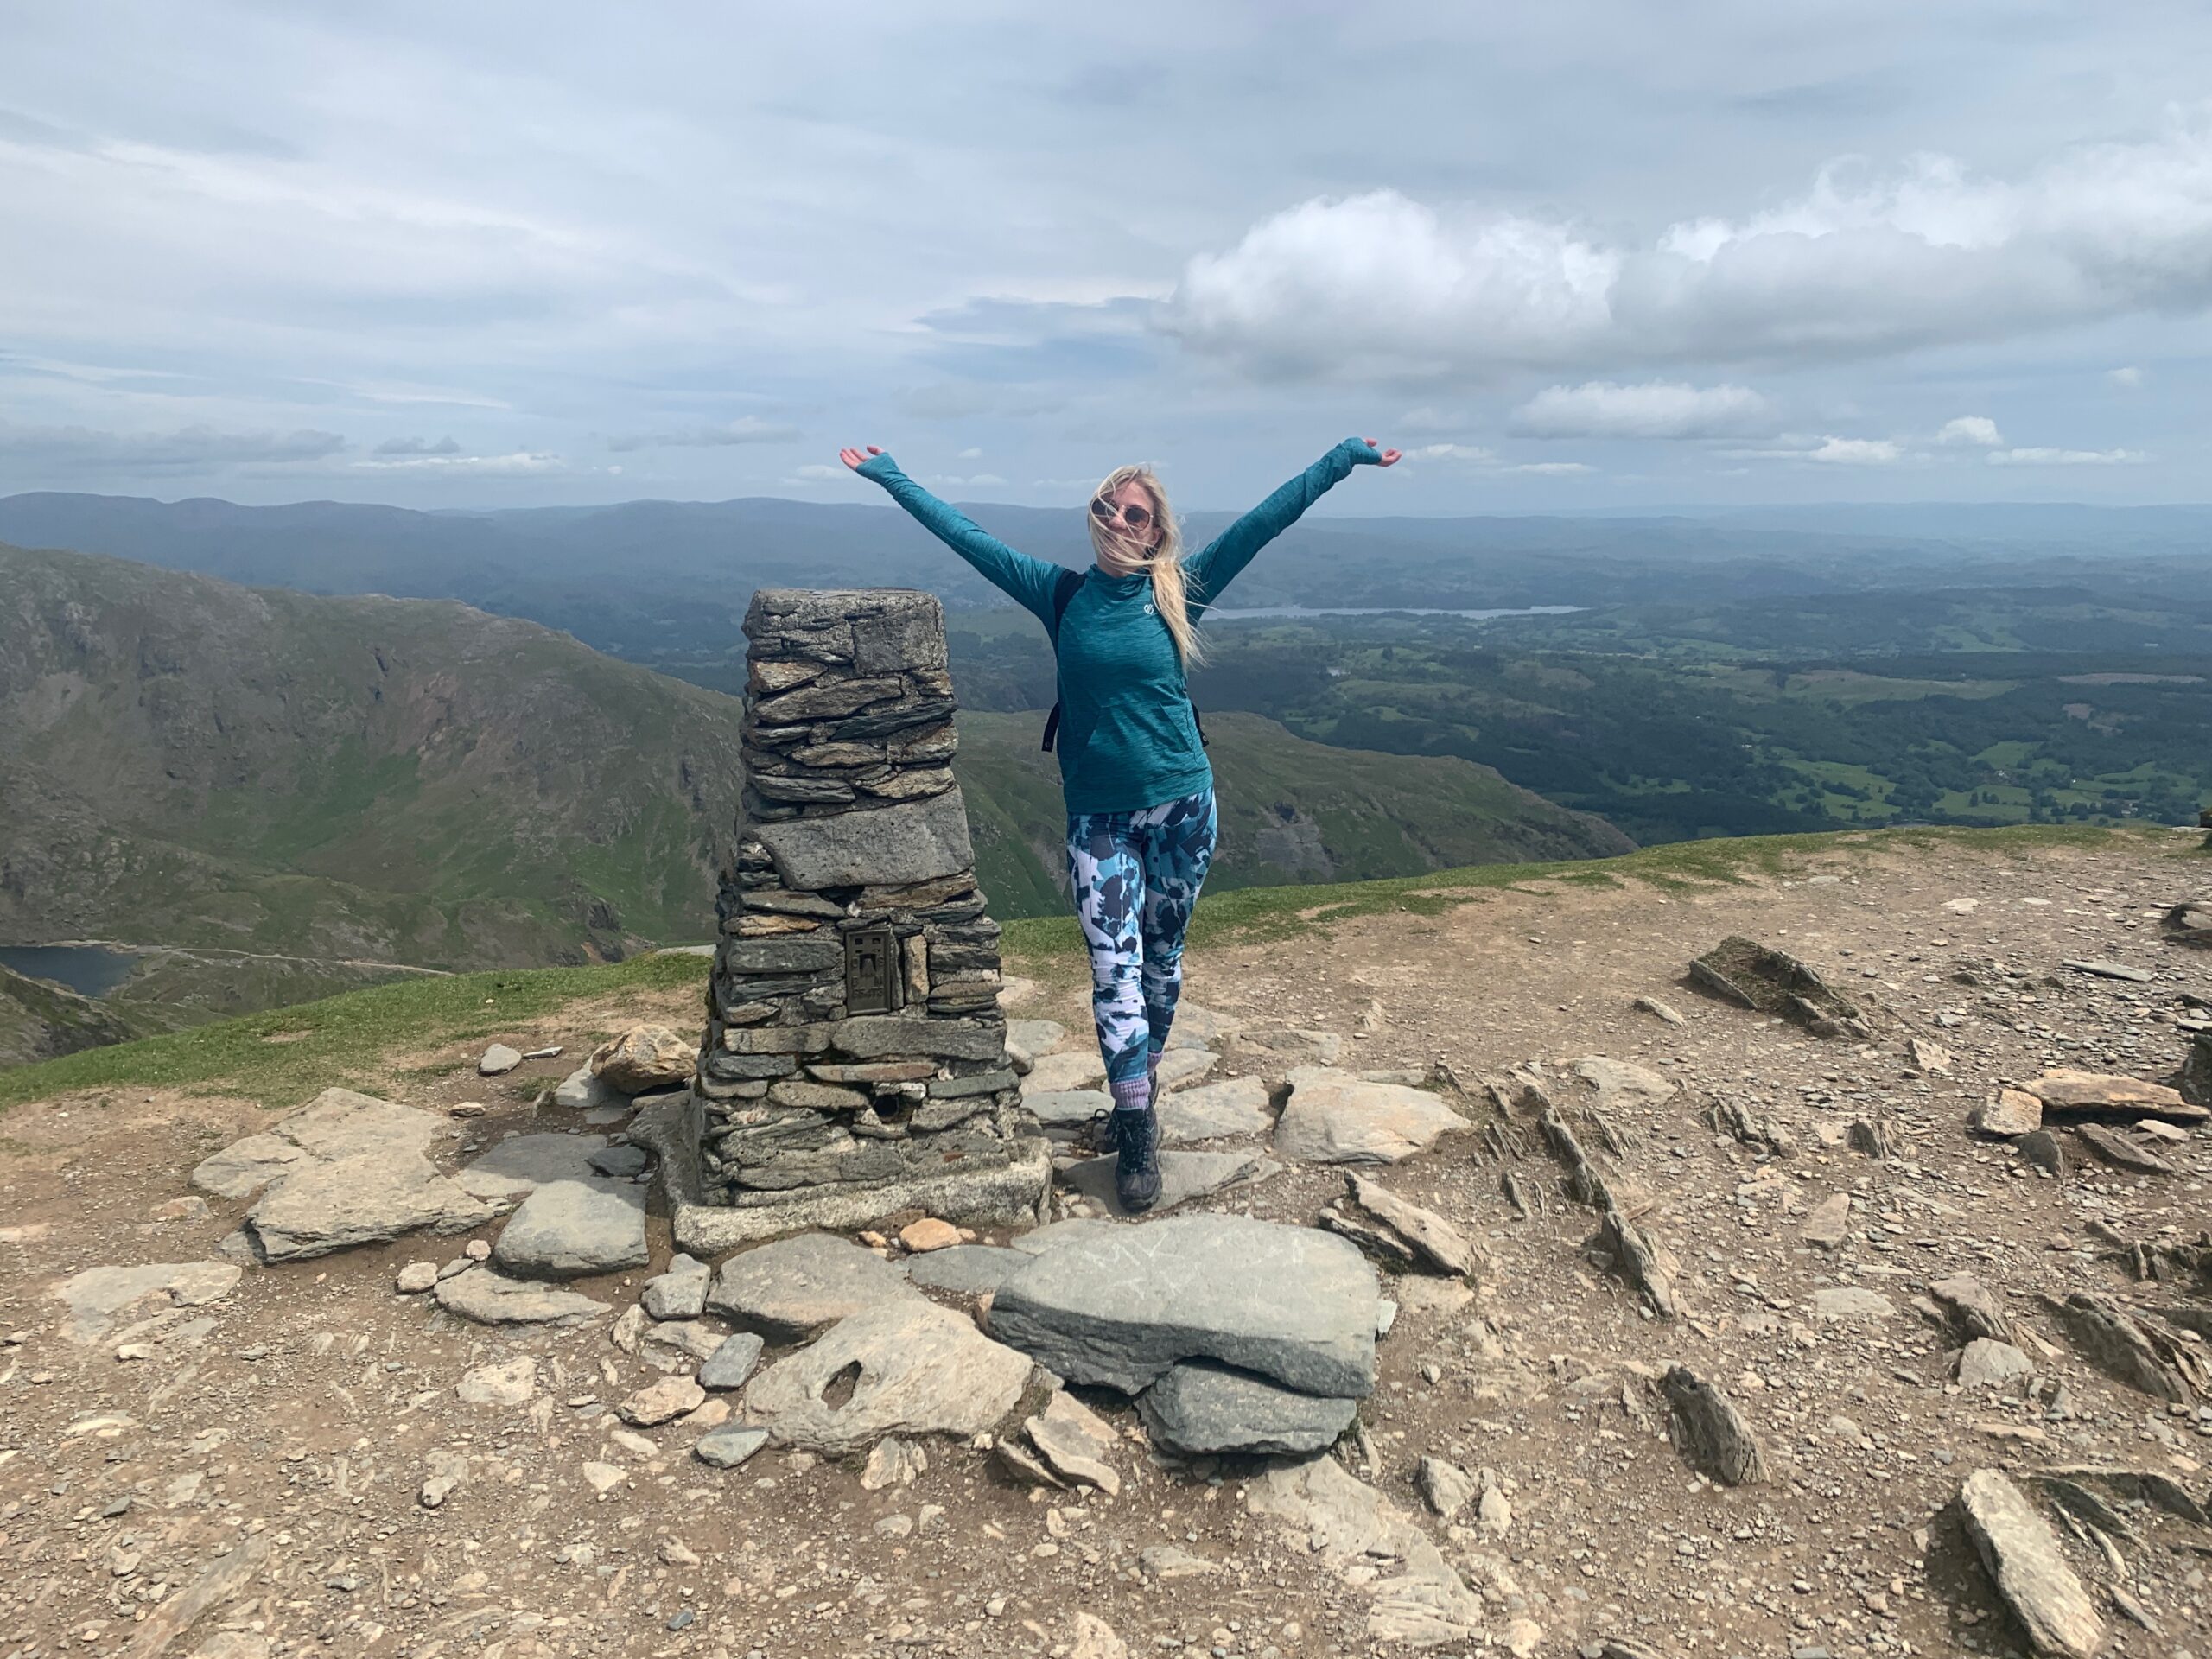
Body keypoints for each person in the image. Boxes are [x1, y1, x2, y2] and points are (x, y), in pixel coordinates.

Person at [839, 436, 1402, 1210]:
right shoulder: (1060, 594)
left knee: (1162, 965)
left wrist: (1342, 458)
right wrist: (890, 476)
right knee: (1114, 970)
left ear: (1155, 532)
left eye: (1135, 512)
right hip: (1099, 820)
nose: (1118, 517)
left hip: (1184, 808)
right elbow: (968, 539)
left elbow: (1267, 520)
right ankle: (1136, 1130)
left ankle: (1140, 1091)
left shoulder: (1178, 588)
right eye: (1108, 505)